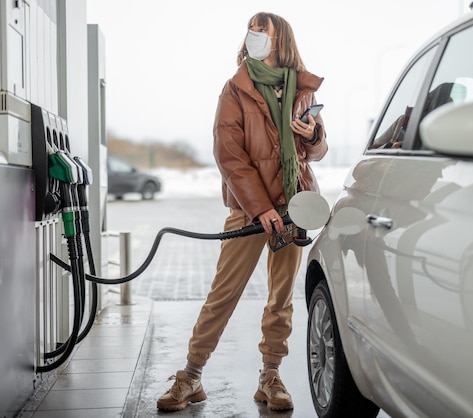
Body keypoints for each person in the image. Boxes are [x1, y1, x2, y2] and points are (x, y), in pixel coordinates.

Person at [156, 11, 327, 412]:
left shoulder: (300, 89)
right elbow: (229, 155)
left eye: (261, 30)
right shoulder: (236, 89)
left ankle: (271, 377)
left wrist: (313, 134)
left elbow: (316, 152)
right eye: (250, 30)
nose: (254, 36)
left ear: (280, 38)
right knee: (223, 294)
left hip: (294, 206)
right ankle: (191, 377)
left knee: (281, 297)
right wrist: (260, 208)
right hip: (249, 210)